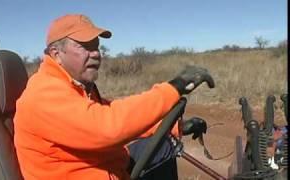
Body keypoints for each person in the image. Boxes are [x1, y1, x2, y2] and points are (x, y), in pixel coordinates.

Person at [14, 14, 214, 180]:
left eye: (96, 46)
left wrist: (173, 126)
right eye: (85, 46)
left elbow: (110, 112)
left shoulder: (75, 86)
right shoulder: (43, 93)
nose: (96, 54)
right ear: (56, 54)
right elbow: (108, 127)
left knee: (162, 145)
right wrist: (174, 88)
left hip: (108, 166)